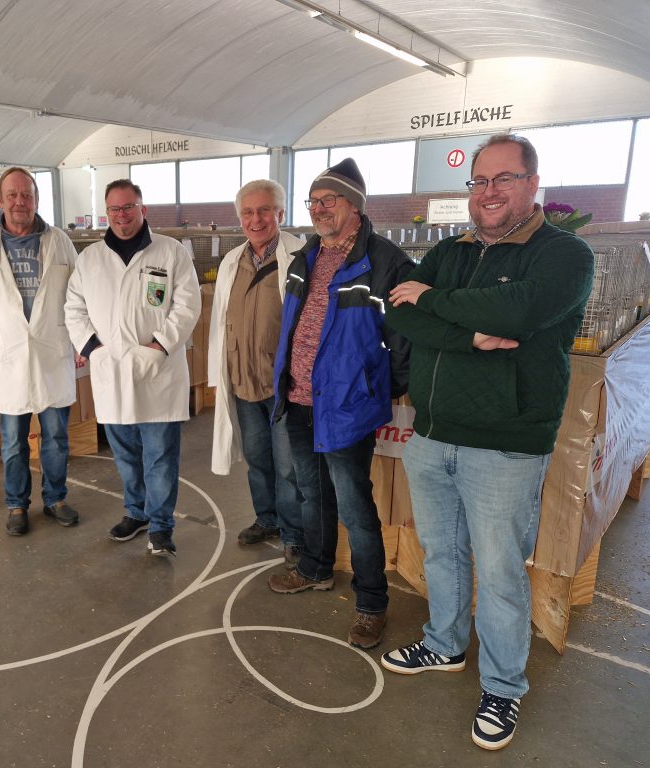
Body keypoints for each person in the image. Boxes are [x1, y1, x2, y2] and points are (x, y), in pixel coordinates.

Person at [381, 134, 594, 751]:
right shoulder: (450, 251)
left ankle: (503, 685)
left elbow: (517, 312)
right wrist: (468, 336)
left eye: (505, 178)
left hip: (505, 443)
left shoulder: (564, 255)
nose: (489, 191)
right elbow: (399, 312)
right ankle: (445, 644)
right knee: (441, 552)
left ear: (533, 184)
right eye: (480, 181)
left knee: (500, 571)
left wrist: (435, 301)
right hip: (432, 433)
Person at [267, 159, 414, 652]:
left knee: (354, 504)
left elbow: (405, 339)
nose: (319, 209)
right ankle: (315, 567)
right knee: (311, 492)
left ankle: (371, 602)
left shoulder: (386, 261)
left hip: (347, 405)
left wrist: (378, 388)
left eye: (329, 200)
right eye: (313, 201)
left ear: (355, 205)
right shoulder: (304, 257)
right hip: (298, 397)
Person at [65, 180, 201, 556]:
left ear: (143, 209)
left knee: (160, 456)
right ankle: (137, 512)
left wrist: (160, 346)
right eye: (114, 209)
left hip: (159, 372)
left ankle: (161, 526)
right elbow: (73, 307)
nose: (122, 215)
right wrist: (92, 349)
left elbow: (187, 305)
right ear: (106, 213)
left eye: (128, 207)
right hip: (110, 371)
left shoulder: (171, 252)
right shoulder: (90, 259)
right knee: (125, 454)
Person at [0, 167, 80, 537]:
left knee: (56, 438)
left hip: (53, 353)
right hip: (6, 357)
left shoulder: (59, 241)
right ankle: (17, 504)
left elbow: (79, 296)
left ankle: (55, 499)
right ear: (0, 200)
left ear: (36, 199)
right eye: (12, 195)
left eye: (26, 195)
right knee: (12, 442)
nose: (19, 202)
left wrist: (83, 341)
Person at [208, 179, 304, 564]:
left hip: (283, 385)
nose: (256, 219)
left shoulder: (299, 257)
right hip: (243, 382)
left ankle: (294, 533)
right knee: (257, 459)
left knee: (288, 466)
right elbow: (219, 323)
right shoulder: (232, 261)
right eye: (247, 212)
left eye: (264, 210)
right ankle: (267, 518)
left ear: (280, 213)